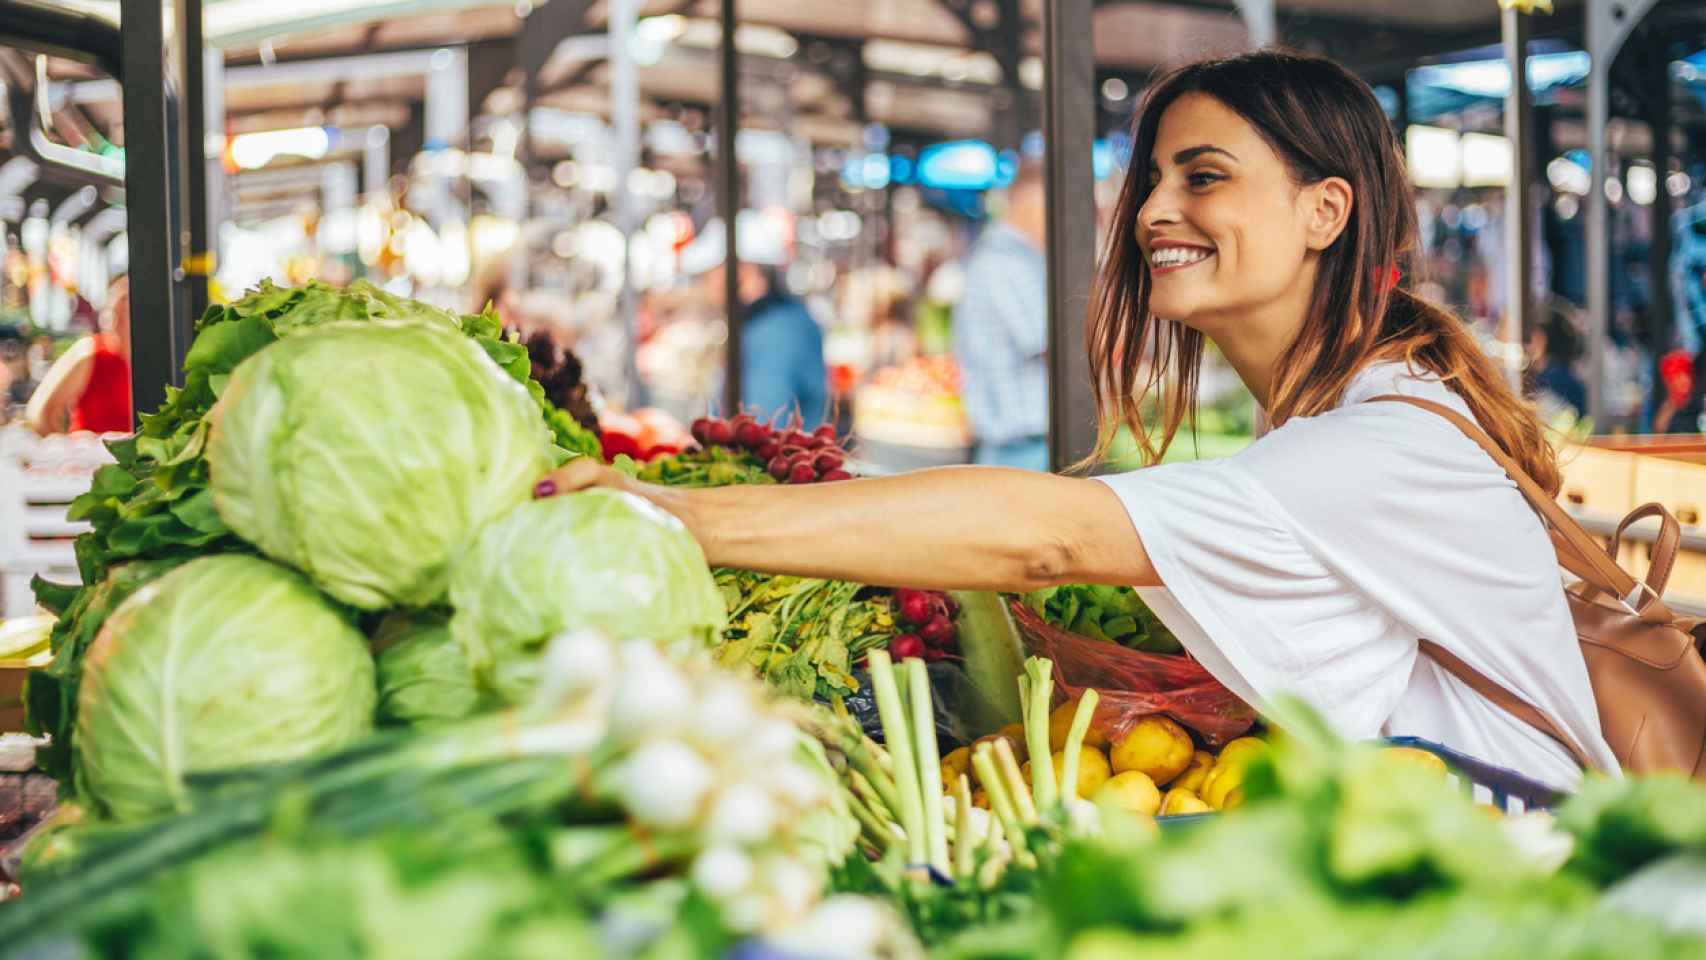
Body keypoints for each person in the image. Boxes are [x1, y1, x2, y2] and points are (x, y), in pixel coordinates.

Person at [536, 51, 1615, 789]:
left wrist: (672, 513)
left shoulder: (1379, 440)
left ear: (1321, 211)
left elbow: (1044, 536)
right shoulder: (1362, 411)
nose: (1150, 212)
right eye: (1148, 179)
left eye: (1203, 177)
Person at [680, 211, 827, 428]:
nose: (706, 284)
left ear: (741, 270)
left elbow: (759, 427)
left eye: (709, 272)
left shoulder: (777, 333)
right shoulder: (767, 322)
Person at [952, 162, 1049, 470]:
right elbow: (1050, 342)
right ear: (1035, 203)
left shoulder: (1009, 257)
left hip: (1018, 447)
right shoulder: (1006, 262)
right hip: (1020, 448)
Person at [25, 276, 131, 435]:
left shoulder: (153, 360)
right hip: (91, 457)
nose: (115, 321)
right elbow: (39, 412)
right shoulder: (90, 353)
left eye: (124, 312)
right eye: (111, 311)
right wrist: (61, 452)